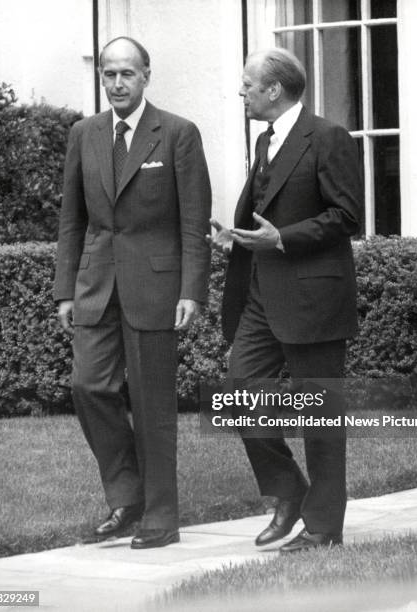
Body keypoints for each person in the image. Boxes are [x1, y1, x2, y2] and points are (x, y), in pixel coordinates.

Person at [54, 36, 211, 549]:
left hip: (157, 287)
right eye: (108, 74)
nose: (117, 83)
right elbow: (71, 221)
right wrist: (65, 290)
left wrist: (192, 290)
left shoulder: (178, 134)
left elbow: (192, 222)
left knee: (152, 405)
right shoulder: (84, 133)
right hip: (97, 285)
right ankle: (127, 495)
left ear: (147, 75)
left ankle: (161, 519)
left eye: (127, 74)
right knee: (88, 387)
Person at [207, 48, 362, 553]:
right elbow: (265, 212)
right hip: (260, 294)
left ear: (274, 90)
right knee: (240, 389)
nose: (241, 92)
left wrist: (282, 239)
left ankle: (322, 528)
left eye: (248, 84)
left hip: (314, 298)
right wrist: (237, 236)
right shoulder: (264, 140)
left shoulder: (329, 137)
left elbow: (346, 216)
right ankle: (290, 490)